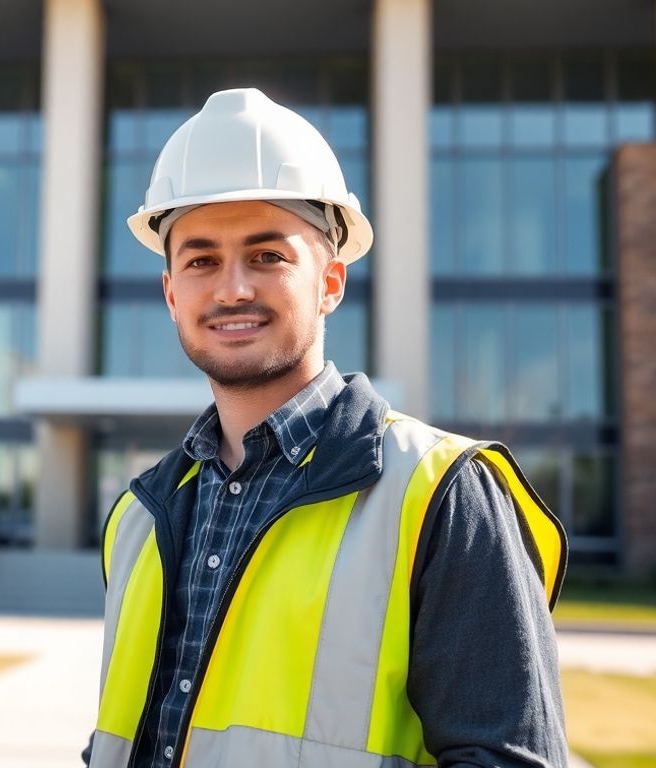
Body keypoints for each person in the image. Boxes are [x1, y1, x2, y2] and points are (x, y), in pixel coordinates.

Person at [85, 88, 569, 767]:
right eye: (200, 260)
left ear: (331, 283)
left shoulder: (442, 495)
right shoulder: (138, 517)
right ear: (171, 293)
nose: (232, 289)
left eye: (267, 256)